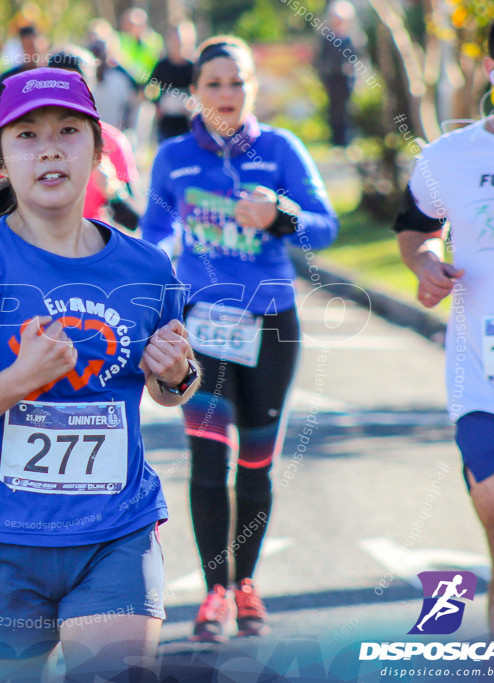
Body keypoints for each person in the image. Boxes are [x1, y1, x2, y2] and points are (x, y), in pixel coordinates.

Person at [0, 67, 199, 681]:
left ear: (98, 149)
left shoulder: (147, 267)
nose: (50, 149)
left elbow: (171, 388)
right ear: (0, 160)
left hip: (116, 533)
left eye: (68, 131)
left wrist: (175, 376)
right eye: (27, 136)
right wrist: (18, 379)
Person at [141, 35, 338, 643]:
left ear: (253, 87)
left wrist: (279, 213)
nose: (226, 95)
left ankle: (246, 584)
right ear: (194, 92)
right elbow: (152, 232)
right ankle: (215, 593)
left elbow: (324, 226)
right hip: (203, 328)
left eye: (237, 83)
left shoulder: (281, 149)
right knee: (207, 460)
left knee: (255, 465)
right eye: (213, 84)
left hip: (272, 326)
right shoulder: (174, 157)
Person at [393, 1, 494, 647]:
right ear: (492, 68)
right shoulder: (449, 157)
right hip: (489, 388)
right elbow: (415, 225)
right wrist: (426, 260)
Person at [48, 47, 141, 231]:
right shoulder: (22, 140)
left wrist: (114, 191)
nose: (68, 91)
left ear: (92, 85)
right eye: (60, 82)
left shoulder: (112, 142)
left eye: (77, 82)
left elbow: (134, 222)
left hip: (91, 249)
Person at [314, 1, 359, 147]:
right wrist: (324, 75)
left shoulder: (350, 38)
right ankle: (335, 140)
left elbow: (356, 57)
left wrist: (351, 71)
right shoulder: (327, 38)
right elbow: (320, 59)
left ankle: (347, 139)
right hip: (332, 80)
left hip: (345, 80)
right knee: (333, 110)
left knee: (347, 110)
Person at [149, 21, 196, 143]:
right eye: (174, 39)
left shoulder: (193, 68)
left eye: (180, 39)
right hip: (167, 123)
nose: (177, 43)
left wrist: (192, 103)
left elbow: (201, 91)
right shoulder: (161, 67)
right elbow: (150, 88)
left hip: (188, 122)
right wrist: (157, 104)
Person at [117, 8, 163, 85]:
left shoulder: (154, 40)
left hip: (151, 80)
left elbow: (156, 62)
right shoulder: (122, 40)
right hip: (129, 81)